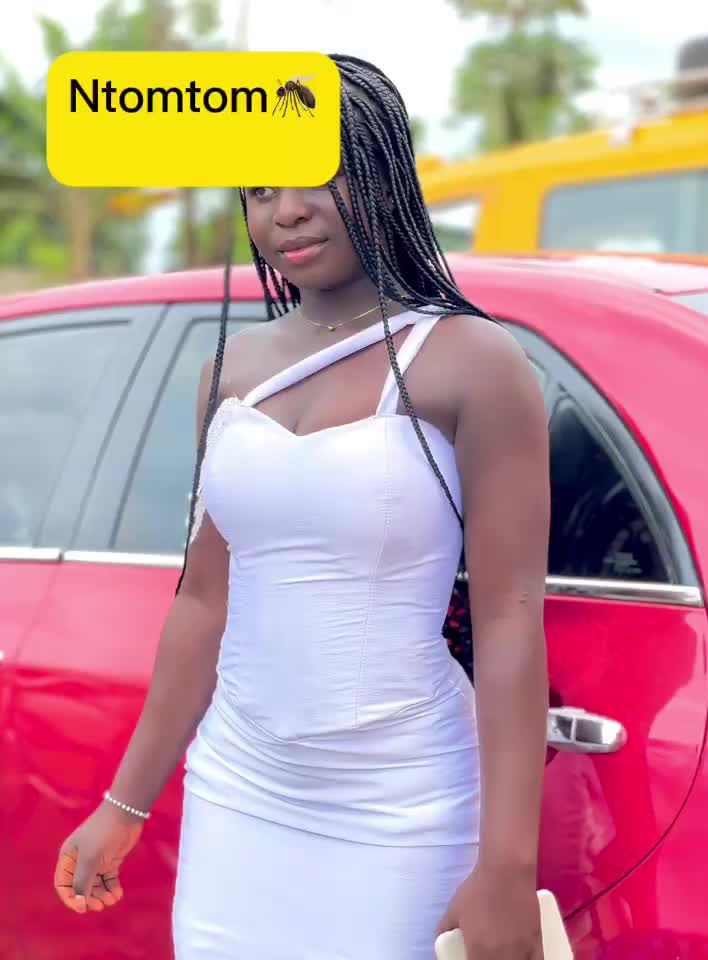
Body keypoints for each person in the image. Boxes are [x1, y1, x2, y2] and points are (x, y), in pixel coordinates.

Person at [53, 54, 551, 959]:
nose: (285, 209)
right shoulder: (229, 369)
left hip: (402, 804)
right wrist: (123, 804)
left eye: (318, 175)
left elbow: (511, 616)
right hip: (238, 790)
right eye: (259, 188)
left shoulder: (472, 361)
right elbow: (204, 601)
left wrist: (506, 866)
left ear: (383, 171)